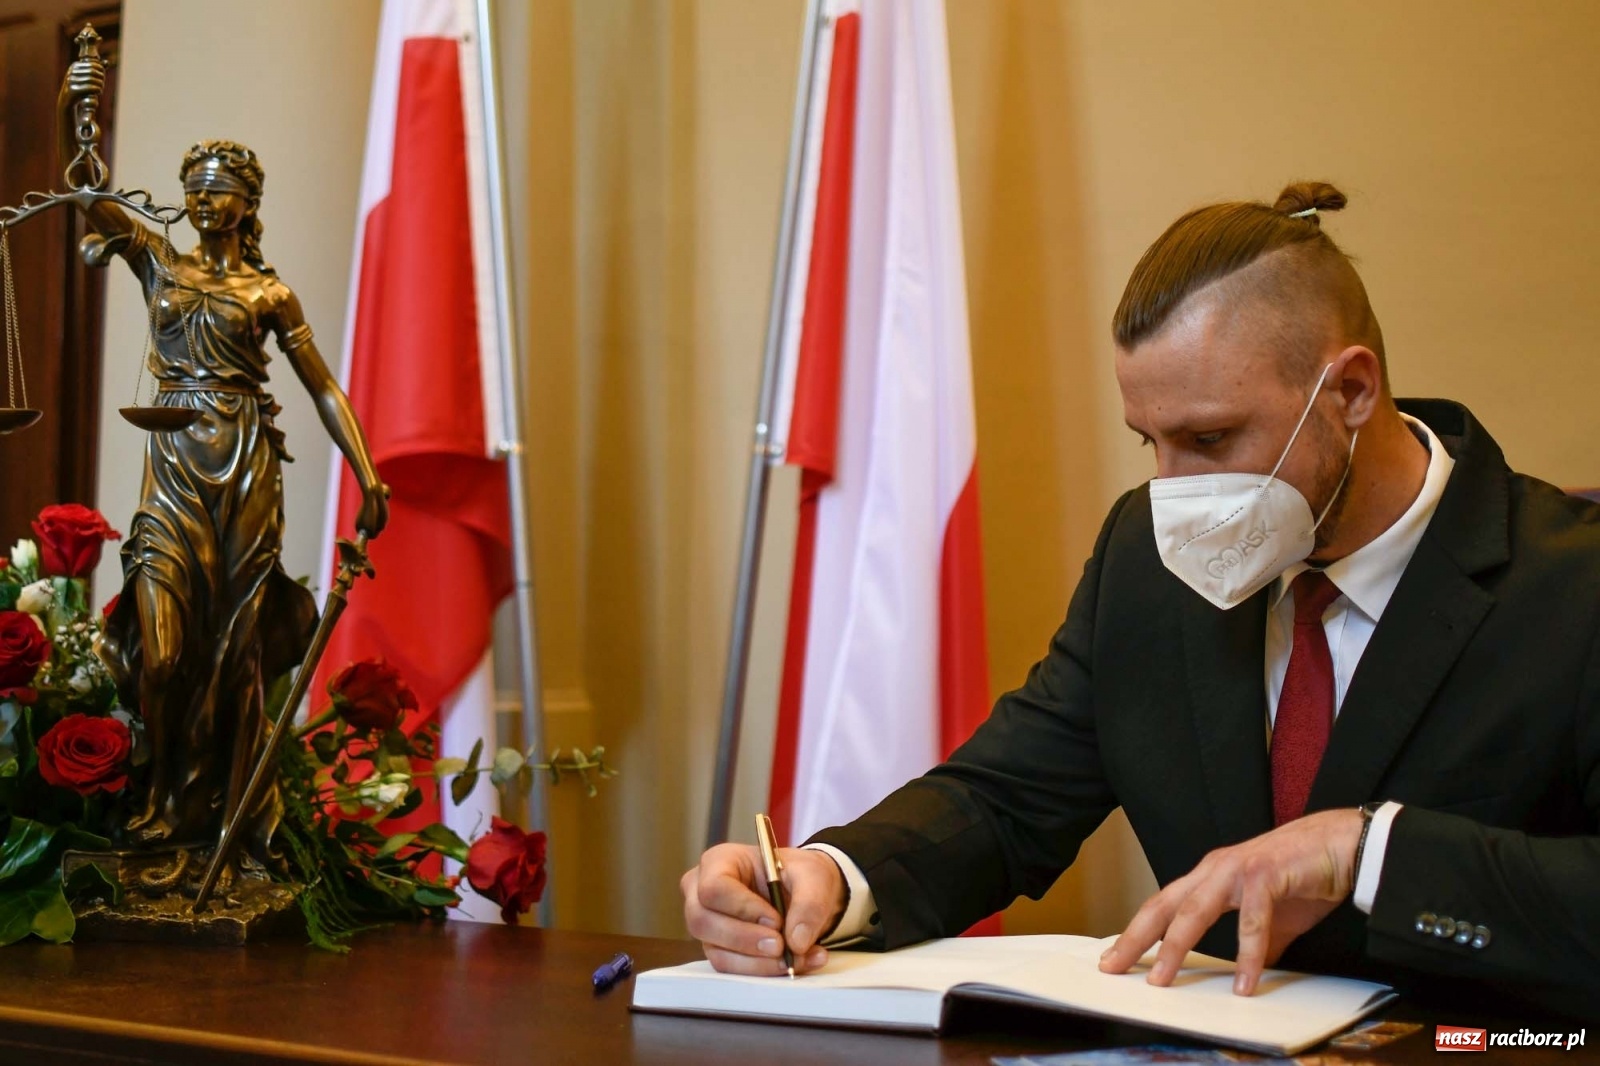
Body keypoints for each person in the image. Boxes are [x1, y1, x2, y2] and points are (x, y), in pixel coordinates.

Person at [682, 181, 1600, 1016]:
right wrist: (832, 877)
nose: (1173, 489)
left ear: (1351, 390)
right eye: (1147, 442)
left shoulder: (1571, 586)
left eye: (1209, 438)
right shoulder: (1147, 554)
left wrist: (1369, 853)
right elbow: (1009, 794)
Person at [58, 61, 389, 868]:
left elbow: (323, 388)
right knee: (164, 652)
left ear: (248, 202)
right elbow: (91, 199)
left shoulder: (270, 295)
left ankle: (207, 824)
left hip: (244, 469)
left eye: (219, 189)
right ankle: (161, 798)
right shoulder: (158, 262)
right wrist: (81, 114)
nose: (204, 201)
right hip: (171, 465)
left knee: (229, 652)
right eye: (194, 188)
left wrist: (368, 475)